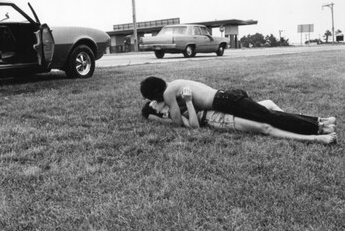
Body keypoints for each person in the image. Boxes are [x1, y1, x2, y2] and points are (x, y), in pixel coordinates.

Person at [140, 76, 336, 135]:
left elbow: (176, 122)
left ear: (157, 93)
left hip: (224, 101)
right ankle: (321, 122)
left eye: (154, 99)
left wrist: (162, 108)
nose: (158, 102)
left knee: (269, 117)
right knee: (267, 113)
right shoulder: (175, 83)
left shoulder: (168, 93)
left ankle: (318, 126)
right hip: (227, 96)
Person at [141, 87, 338, 145]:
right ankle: (315, 136)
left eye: (152, 100)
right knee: (265, 127)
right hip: (217, 119)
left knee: (268, 106)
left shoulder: (172, 100)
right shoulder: (171, 113)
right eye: (151, 104)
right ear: (154, 109)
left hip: (224, 106)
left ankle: (317, 122)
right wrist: (190, 102)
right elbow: (192, 126)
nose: (155, 102)